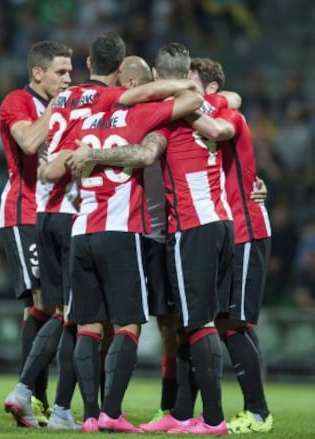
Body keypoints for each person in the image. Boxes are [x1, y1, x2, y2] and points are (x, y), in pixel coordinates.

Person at [67, 43, 234, 435]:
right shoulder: (199, 107)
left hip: (167, 227)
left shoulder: (98, 119)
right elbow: (220, 122)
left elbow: (144, 154)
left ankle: (198, 416)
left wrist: (86, 155)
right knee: (173, 324)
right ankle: (177, 411)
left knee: (179, 323)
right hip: (175, 226)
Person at [41, 69, 203, 432]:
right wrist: (169, 87)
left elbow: (50, 171)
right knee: (128, 323)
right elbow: (193, 96)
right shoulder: (140, 116)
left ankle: (90, 415)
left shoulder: (82, 129)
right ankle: (112, 411)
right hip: (122, 231)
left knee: (88, 325)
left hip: (82, 230)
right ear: (136, 89)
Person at [183, 56, 274, 434]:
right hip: (226, 229)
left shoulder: (227, 114)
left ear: (210, 89)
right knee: (227, 322)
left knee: (234, 323)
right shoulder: (212, 107)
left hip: (246, 228)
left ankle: (258, 412)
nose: (182, 88)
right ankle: (243, 408)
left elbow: (222, 124)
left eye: (189, 82)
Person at [0, 40, 73, 427]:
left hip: (56, 215)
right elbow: (28, 142)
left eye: (71, 71)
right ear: (37, 73)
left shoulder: (66, 103)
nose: (68, 79)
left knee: (46, 307)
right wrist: (61, 107)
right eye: (61, 72)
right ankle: (33, 396)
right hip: (23, 212)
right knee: (44, 304)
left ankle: (35, 397)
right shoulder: (18, 101)